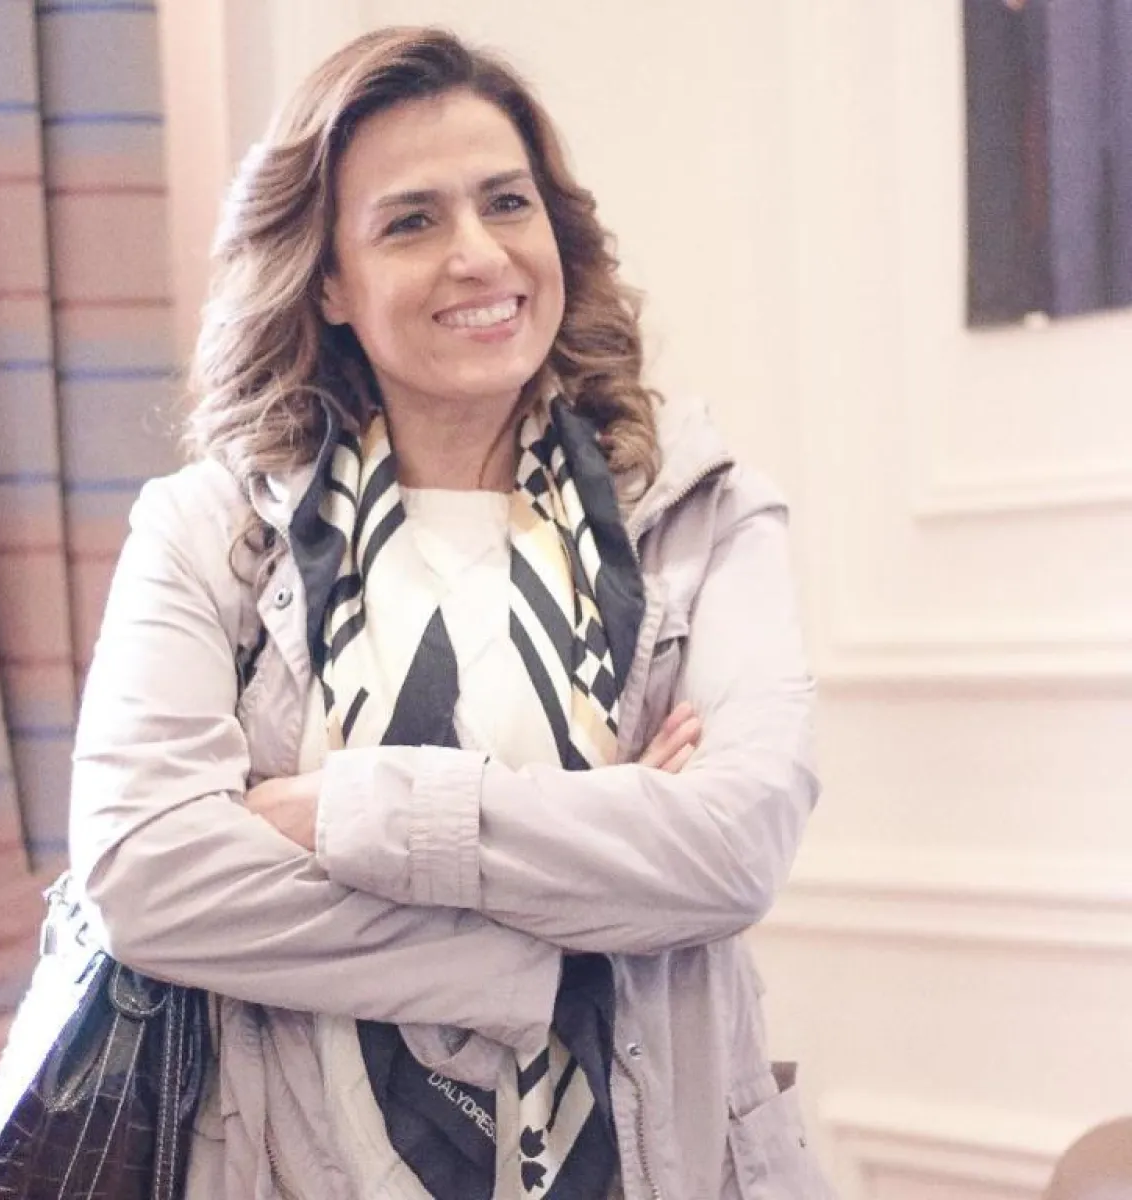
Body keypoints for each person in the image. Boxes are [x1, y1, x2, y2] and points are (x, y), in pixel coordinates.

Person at [68, 24, 833, 1200]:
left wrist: (349, 813)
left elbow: (729, 851)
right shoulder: (207, 532)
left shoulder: (698, 513)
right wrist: (566, 935)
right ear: (329, 279)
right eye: (412, 221)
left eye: (506, 203)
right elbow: (147, 877)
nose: (479, 255)